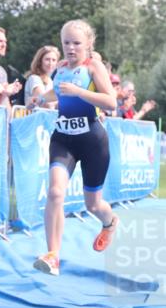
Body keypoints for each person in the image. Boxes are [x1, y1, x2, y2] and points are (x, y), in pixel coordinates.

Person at [32, 20, 118, 276]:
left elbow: (111, 102)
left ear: (89, 44)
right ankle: (53, 256)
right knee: (55, 193)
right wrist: (40, 98)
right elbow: (58, 93)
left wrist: (80, 92)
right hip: (63, 139)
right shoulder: (60, 68)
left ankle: (110, 222)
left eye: (76, 43)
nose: (70, 48)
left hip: (92, 141)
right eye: (66, 43)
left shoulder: (93, 67)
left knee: (93, 204)